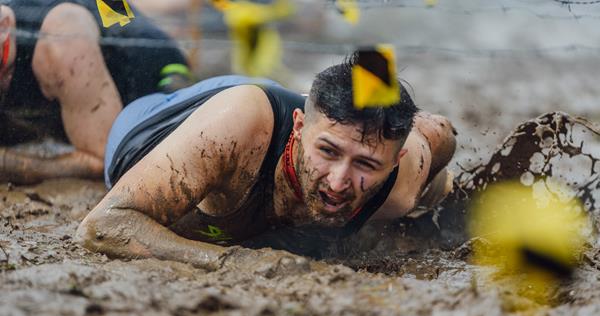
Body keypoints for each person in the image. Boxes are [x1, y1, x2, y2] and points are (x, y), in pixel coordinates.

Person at [75, 54, 456, 266]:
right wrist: (231, 263)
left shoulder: (401, 182)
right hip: (153, 122)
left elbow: (440, 133)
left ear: (395, 161)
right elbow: (101, 226)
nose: (339, 182)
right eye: (328, 152)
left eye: (366, 165)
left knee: (430, 194)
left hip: (291, 112)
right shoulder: (234, 133)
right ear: (299, 127)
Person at [0, 0, 192, 184]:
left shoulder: (62, 43)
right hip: (102, 28)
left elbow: (107, 161)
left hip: (163, 75)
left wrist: (14, 165)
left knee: (163, 155)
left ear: (4, 27)